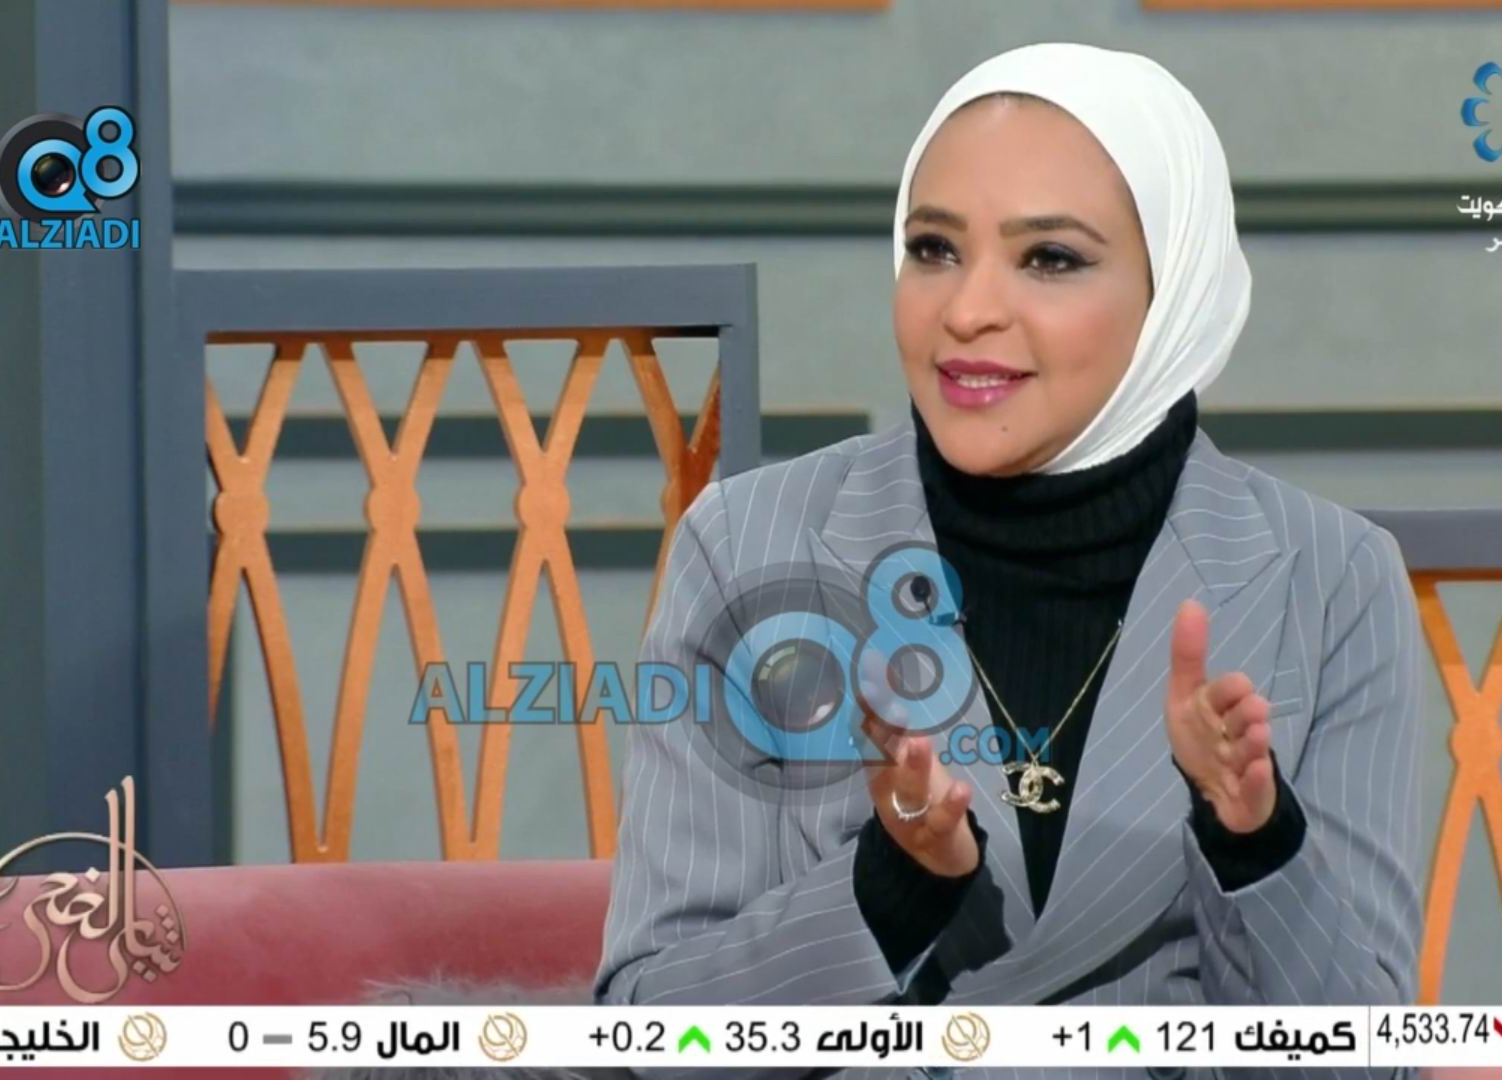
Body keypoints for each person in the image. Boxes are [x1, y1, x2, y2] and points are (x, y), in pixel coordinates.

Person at [594, 41, 1425, 1076]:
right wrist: (891, 887)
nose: (966, 310)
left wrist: (1255, 843)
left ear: (1175, 293)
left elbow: (1372, 1063)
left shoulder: (1334, 579)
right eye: (934, 248)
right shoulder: (746, 547)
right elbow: (646, 1043)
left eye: (1050, 259)